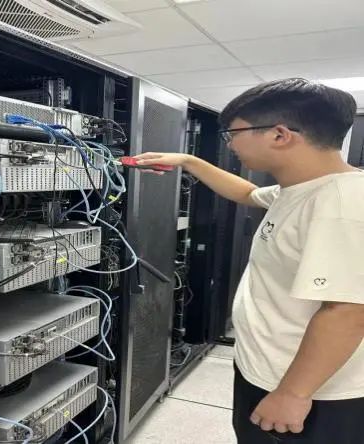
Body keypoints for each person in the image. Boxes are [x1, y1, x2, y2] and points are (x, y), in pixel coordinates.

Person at [134, 78, 364, 444]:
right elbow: (248, 193)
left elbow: (347, 312)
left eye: (234, 134)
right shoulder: (302, 189)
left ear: (279, 135)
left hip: (311, 393)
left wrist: (293, 394)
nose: (230, 144)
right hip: (273, 371)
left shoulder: (342, 205)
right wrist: (187, 161)